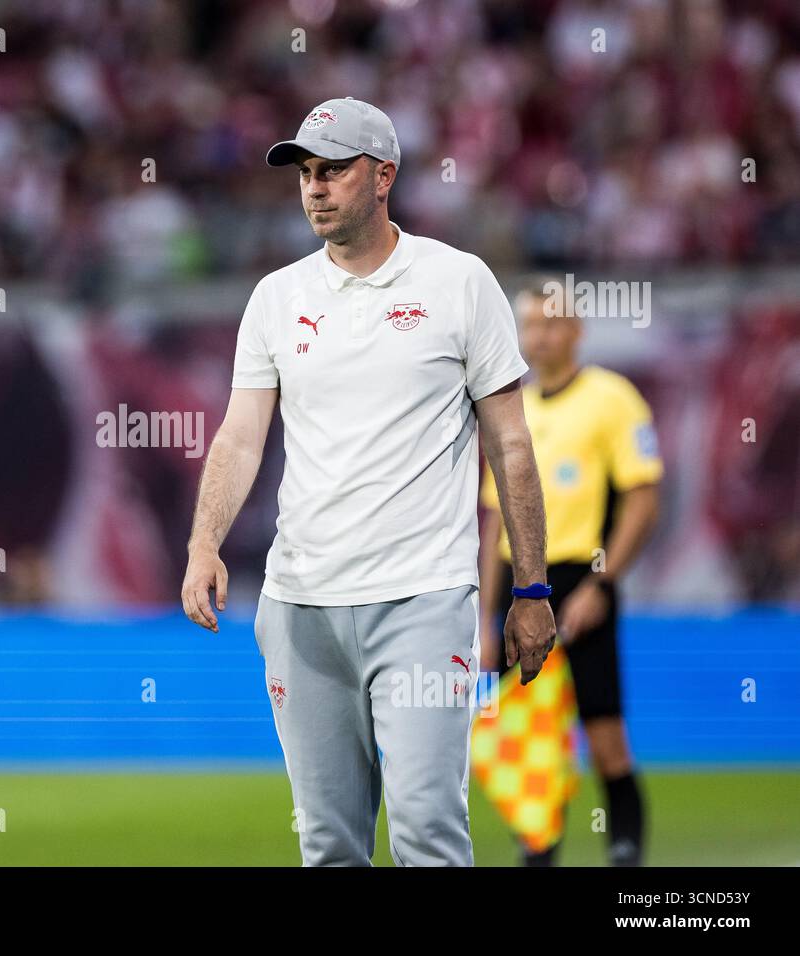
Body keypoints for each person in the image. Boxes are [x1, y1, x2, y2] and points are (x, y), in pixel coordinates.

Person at [180, 97, 555, 866]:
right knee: (328, 845)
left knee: (426, 831)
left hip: (422, 598)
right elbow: (241, 435)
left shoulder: (459, 282)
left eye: (333, 171)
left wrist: (532, 588)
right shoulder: (276, 298)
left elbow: (511, 444)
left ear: (383, 176)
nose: (314, 188)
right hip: (300, 607)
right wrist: (203, 544)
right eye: (305, 173)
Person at [479, 282, 663, 866]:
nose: (540, 335)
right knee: (528, 737)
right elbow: (493, 520)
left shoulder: (613, 398)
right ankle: (540, 852)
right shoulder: (511, 408)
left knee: (605, 734)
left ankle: (625, 851)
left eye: (552, 323)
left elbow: (642, 497)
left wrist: (602, 584)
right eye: (530, 324)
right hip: (517, 586)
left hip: (582, 576)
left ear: (577, 330)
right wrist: (486, 614)